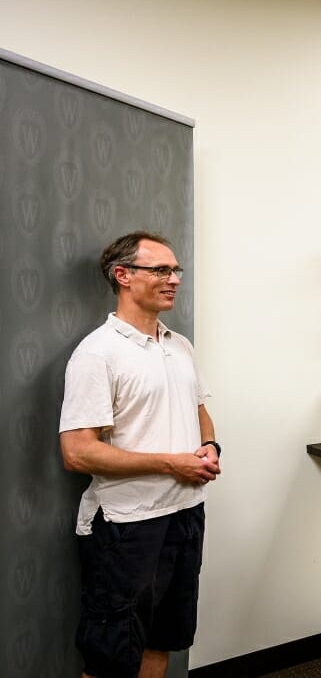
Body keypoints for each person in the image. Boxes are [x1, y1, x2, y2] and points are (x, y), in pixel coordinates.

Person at [59, 231, 220, 678]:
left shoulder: (180, 345)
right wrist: (170, 463)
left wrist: (209, 447)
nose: (174, 279)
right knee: (111, 655)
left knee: (163, 638)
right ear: (123, 275)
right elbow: (77, 452)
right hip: (126, 526)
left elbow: (201, 414)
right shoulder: (97, 353)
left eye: (175, 270)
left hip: (186, 515)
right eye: (161, 270)